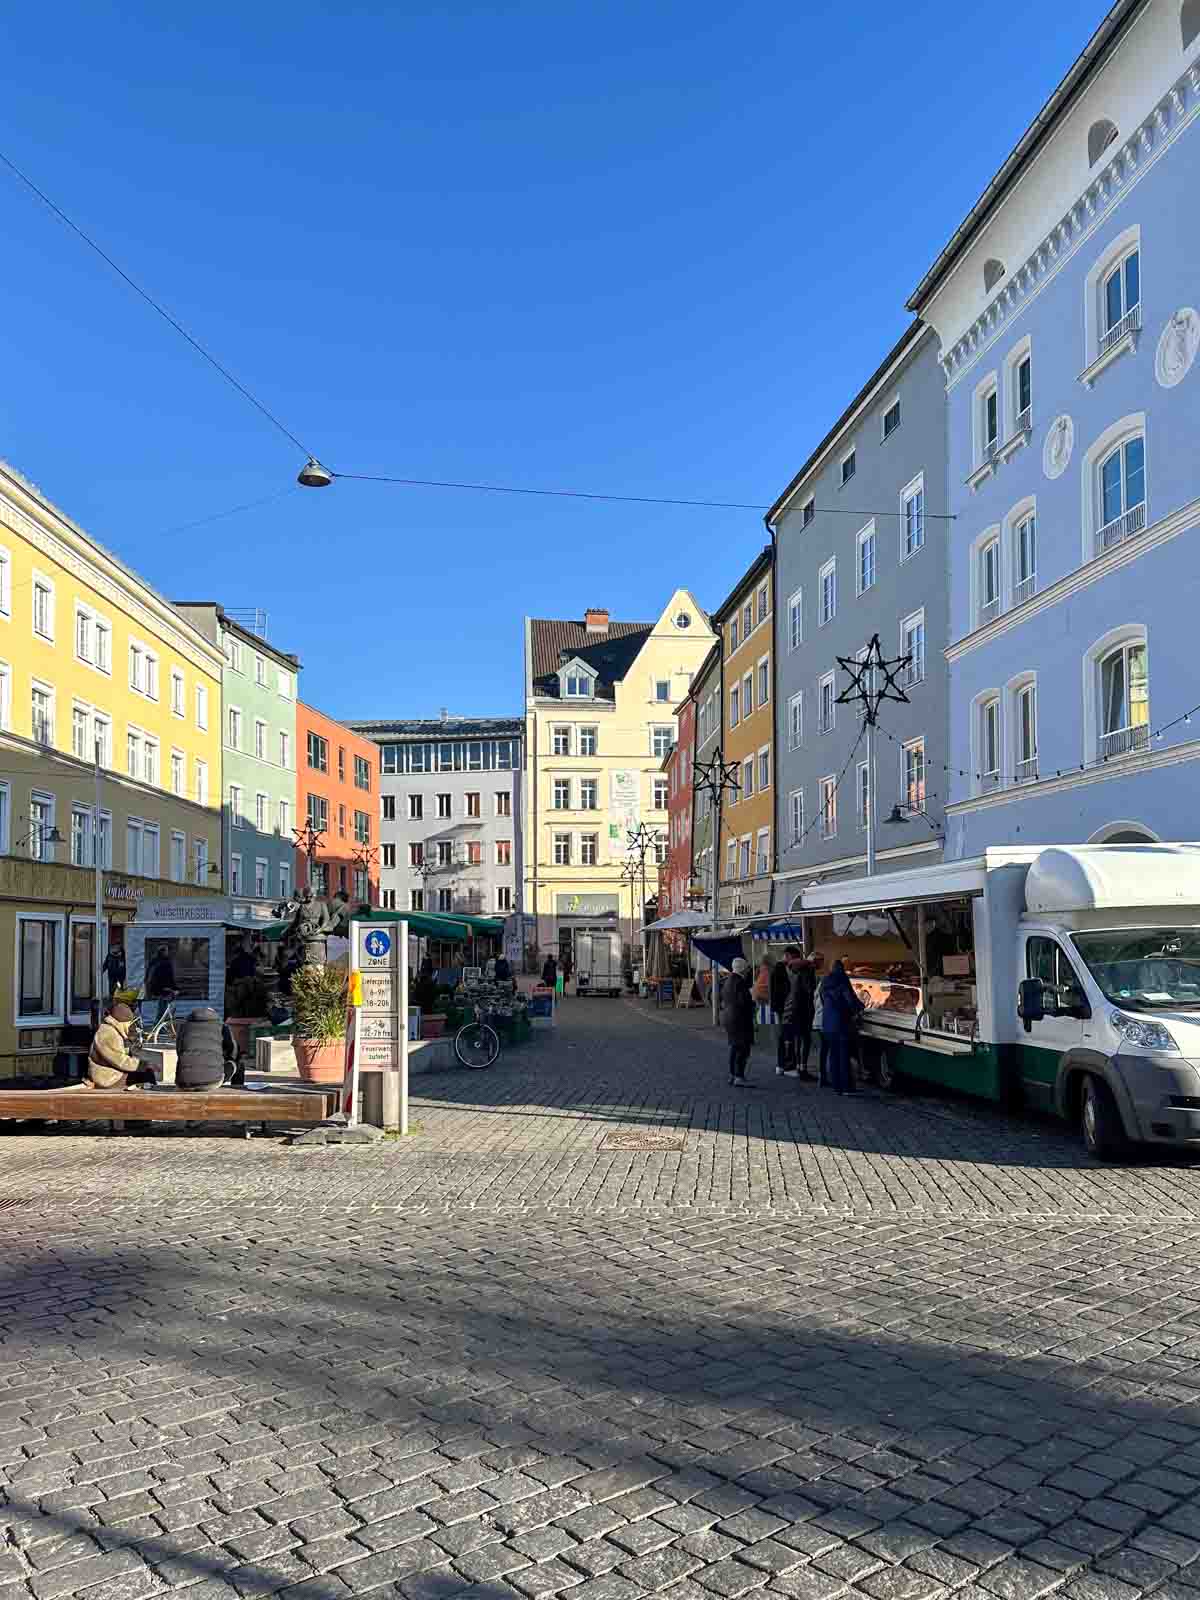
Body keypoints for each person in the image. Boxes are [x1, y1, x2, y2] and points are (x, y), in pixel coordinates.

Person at [86, 1001, 157, 1090]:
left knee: (148, 1074)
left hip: (114, 1073)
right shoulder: (107, 1033)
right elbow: (120, 1060)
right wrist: (142, 1065)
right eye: (129, 1023)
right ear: (122, 1022)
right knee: (148, 1074)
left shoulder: (113, 1031)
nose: (130, 1026)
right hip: (107, 1078)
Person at [819, 960, 865, 1095]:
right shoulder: (842, 980)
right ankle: (846, 1087)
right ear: (842, 969)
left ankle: (836, 1085)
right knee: (843, 1055)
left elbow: (823, 1001)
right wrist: (859, 1009)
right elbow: (850, 999)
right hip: (841, 1023)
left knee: (833, 1055)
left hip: (827, 1023)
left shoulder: (825, 982)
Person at [780, 945, 817, 1081]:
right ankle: (801, 1068)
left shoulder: (793, 969)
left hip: (793, 1009)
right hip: (801, 1010)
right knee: (804, 1039)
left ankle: (797, 1067)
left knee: (798, 1040)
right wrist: (810, 963)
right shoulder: (804, 970)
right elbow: (809, 989)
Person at [721, 956, 755, 1087]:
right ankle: (739, 1075)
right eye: (746, 969)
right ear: (742, 969)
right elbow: (743, 1001)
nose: (747, 972)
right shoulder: (740, 982)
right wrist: (751, 1001)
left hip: (729, 1018)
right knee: (743, 1048)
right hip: (740, 1019)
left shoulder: (728, 980)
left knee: (735, 1047)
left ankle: (733, 1074)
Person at [770, 955, 792, 1072]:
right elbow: (785, 990)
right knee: (784, 1036)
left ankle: (782, 1064)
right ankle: (783, 1064)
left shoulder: (776, 970)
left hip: (779, 1008)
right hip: (783, 1008)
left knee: (782, 1035)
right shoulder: (780, 970)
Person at [146, 943, 176, 1022]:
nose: (168, 952)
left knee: (162, 1009)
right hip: (163, 989)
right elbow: (169, 977)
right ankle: (159, 1028)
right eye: (167, 951)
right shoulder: (165, 963)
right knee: (162, 1011)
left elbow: (148, 975)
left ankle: (158, 1027)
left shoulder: (154, 961)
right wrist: (173, 988)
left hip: (155, 988)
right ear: (163, 952)